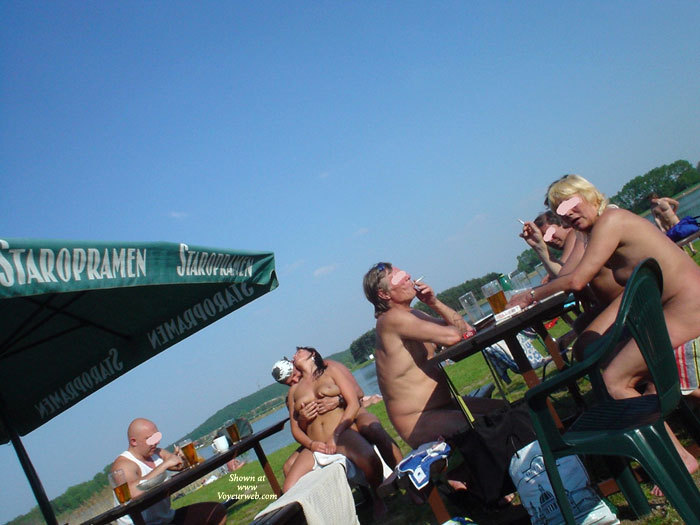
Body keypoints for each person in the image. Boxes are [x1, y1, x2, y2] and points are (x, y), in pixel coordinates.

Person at [508, 174, 700, 492]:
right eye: (560, 210)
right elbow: (574, 274)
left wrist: (530, 295)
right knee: (604, 356)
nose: (568, 214)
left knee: (614, 379)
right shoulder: (601, 226)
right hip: (674, 307)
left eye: (571, 203)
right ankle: (670, 446)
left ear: (591, 195)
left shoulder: (611, 221)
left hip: (687, 307)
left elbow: (576, 280)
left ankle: (678, 457)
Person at [362, 263, 503, 450]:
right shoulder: (390, 320)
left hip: (445, 406)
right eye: (398, 277)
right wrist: (453, 329)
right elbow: (453, 337)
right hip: (418, 420)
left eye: (405, 273)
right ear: (384, 294)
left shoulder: (413, 314)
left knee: (504, 411)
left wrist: (433, 302)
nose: (408, 276)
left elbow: (466, 331)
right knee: (490, 428)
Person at [284, 347, 386, 517]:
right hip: (315, 444)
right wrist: (311, 444)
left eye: (299, 351)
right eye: (294, 354)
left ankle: (377, 496)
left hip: (341, 435)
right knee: (289, 488)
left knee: (369, 458)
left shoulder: (330, 371)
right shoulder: (294, 391)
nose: (295, 355)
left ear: (312, 354)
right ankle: (323, 516)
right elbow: (295, 430)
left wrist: (335, 435)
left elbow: (353, 402)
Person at [271, 355, 402, 478]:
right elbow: (300, 429)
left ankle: (402, 472)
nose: (294, 381)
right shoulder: (294, 393)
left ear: (294, 364)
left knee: (373, 429)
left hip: (351, 412)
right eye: (289, 383)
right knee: (288, 466)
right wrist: (302, 418)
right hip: (321, 434)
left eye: (294, 376)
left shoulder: (328, 367)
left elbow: (358, 392)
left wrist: (338, 400)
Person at [111, 418, 226, 525]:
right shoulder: (123, 465)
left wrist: (183, 459)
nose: (155, 443)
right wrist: (165, 464)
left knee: (217, 512)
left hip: (167, 518)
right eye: (149, 439)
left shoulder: (156, 452)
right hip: (142, 523)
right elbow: (133, 492)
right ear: (134, 441)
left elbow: (179, 465)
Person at [520, 211, 578, 280]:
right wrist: (537, 246)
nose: (550, 240)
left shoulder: (575, 233)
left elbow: (564, 271)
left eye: (550, 233)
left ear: (562, 224)